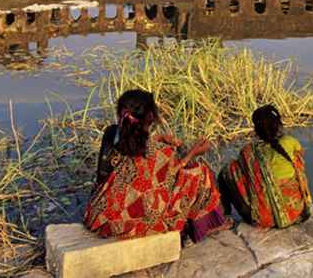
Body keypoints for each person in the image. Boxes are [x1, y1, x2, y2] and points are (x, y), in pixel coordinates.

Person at [84, 89, 229, 242]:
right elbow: (174, 171)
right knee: (199, 172)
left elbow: (114, 166)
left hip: (98, 214)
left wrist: (156, 138)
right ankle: (203, 225)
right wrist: (193, 152)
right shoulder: (157, 152)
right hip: (122, 223)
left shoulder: (112, 132)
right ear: (150, 117)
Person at [218, 104, 312, 229]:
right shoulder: (290, 141)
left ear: (256, 130)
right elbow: (300, 157)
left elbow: (239, 172)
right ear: (279, 124)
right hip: (298, 212)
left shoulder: (249, 151)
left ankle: (225, 214)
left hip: (265, 219)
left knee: (227, 171)